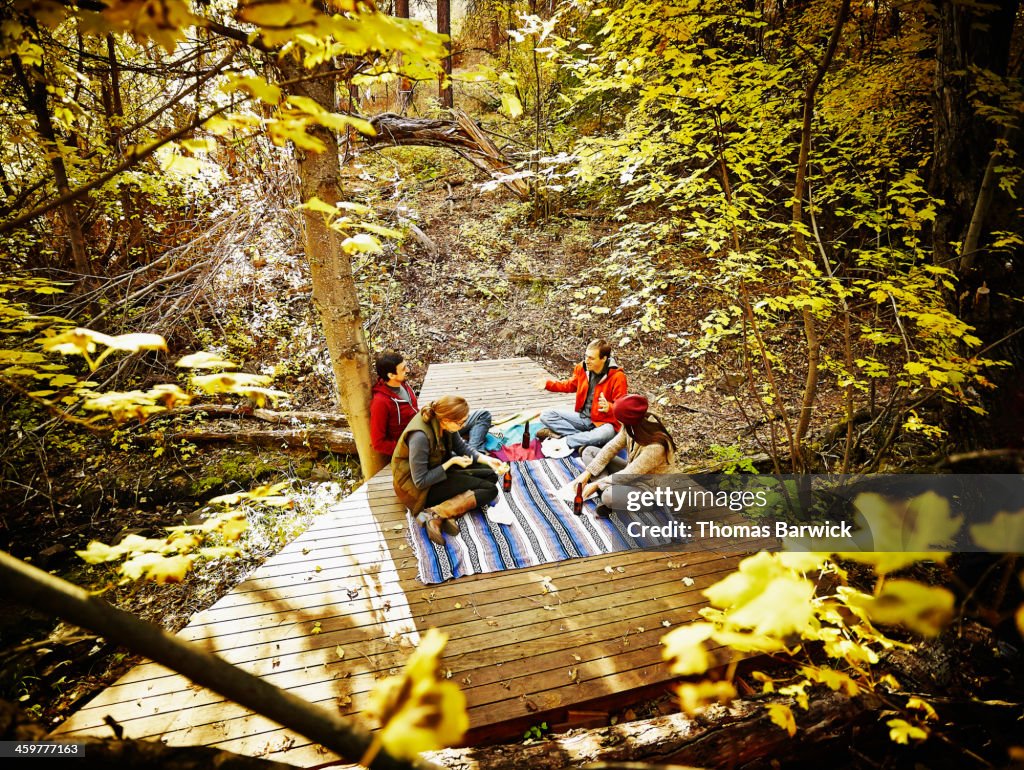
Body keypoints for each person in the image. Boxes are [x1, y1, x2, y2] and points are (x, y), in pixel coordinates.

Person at [392, 395, 508, 545]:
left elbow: (461, 447)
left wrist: (488, 460)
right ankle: (434, 514)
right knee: (490, 490)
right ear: (447, 420)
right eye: (461, 423)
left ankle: (442, 513)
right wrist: (452, 462)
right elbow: (420, 481)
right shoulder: (419, 437)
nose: (464, 425)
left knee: (490, 474)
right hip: (416, 490)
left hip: (437, 469)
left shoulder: (443, 420)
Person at [370, 352, 492, 457]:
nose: (408, 370)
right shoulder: (381, 402)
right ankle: (472, 454)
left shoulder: (403, 384)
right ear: (391, 375)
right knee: (454, 459)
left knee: (482, 415)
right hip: (420, 442)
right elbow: (378, 443)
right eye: (403, 369)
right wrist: (411, 450)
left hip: (431, 424)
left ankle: (475, 451)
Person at [569, 394, 675, 515]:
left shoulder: (656, 448)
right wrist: (587, 473)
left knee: (609, 496)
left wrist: (597, 484)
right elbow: (611, 448)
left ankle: (608, 494)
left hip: (650, 490)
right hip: (634, 475)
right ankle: (606, 491)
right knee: (589, 451)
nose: (618, 422)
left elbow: (629, 474)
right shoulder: (632, 426)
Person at [532, 339, 627, 450]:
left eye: (591, 358)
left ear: (604, 359)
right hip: (582, 418)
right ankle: (583, 440)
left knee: (605, 434)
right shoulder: (582, 368)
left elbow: (623, 408)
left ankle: (566, 440)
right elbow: (570, 385)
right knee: (546, 415)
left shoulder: (618, 377)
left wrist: (610, 407)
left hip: (604, 423)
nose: (586, 360)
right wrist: (548, 384)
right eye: (586, 356)